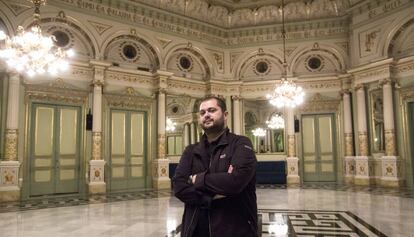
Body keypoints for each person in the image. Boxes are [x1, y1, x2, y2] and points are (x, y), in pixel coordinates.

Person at [172, 95, 258, 237]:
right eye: (202, 112)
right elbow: (179, 186)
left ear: (225, 115)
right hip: (195, 229)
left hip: (234, 228)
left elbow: (235, 182)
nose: (206, 115)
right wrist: (209, 198)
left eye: (211, 110)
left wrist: (197, 180)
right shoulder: (191, 151)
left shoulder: (241, 144)